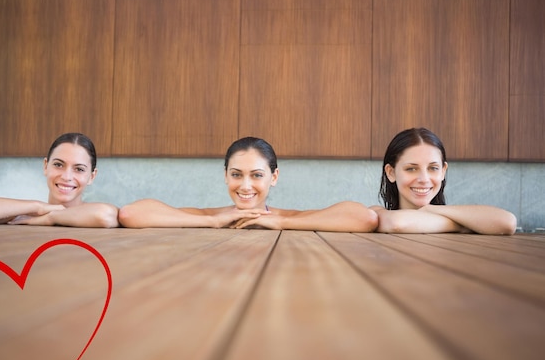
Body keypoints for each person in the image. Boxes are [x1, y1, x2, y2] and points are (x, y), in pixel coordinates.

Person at [119, 137, 378, 232]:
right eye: (236, 174)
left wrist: (281, 223)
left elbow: (364, 218)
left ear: (273, 177)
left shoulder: (287, 218)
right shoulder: (211, 216)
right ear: (225, 175)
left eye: (256, 175)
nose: (245, 185)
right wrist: (212, 222)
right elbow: (131, 213)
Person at [0, 132, 119, 228]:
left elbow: (105, 215)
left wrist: (49, 218)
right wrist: (38, 207)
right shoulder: (28, 215)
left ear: (92, 176)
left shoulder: (97, 213)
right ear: (46, 166)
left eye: (79, 169)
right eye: (58, 165)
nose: (66, 176)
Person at [371, 127, 516, 234]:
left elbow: (508, 222)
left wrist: (431, 209)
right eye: (411, 169)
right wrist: (463, 225)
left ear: (443, 171)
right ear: (391, 172)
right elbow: (398, 223)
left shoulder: (446, 212)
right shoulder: (376, 214)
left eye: (433, 168)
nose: (424, 179)